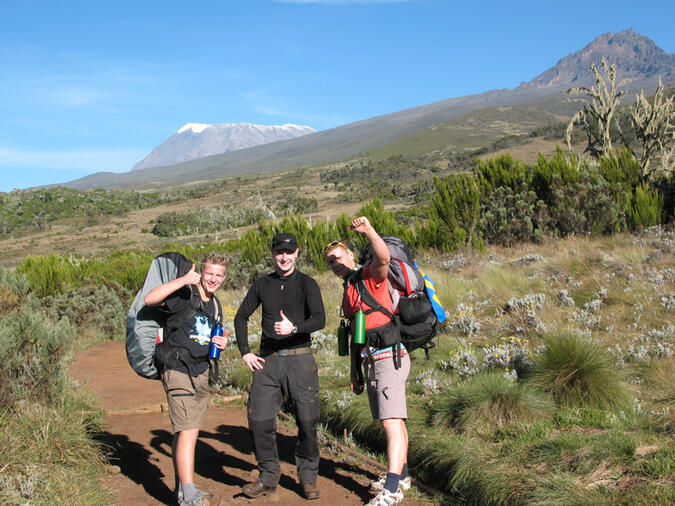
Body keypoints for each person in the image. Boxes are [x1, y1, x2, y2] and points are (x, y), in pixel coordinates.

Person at [324, 217, 411, 506]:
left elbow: (383, 258)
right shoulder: (349, 288)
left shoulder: (369, 276)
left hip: (389, 356)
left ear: (350, 255)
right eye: (329, 262)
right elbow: (354, 333)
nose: (334, 263)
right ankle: (403, 475)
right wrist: (354, 370)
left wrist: (369, 231)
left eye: (337, 257)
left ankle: (392, 490)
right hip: (371, 360)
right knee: (394, 420)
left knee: (391, 422)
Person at [235, 233, 326, 500]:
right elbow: (241, 317)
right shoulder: (262, 284)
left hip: (301, 360)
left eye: (289, 252)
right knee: (259, 420)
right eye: (279, 252)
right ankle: (267, 476)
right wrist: (245, 352)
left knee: (307, 423)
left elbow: (320, 318)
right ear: (273, 254)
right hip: (267, 361)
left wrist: (294, 327)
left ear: (297, 253)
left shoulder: (307, 284)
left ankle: (308, 479)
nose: (284, 257)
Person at [144, 252, 228, 506]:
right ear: (201, 272)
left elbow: (208, 336)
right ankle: (188, 495)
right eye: (209, 273)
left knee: (187, 431)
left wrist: (220, 343)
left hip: (200, 371)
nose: (213, 279)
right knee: (188, 431)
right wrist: (182, 281)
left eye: (218, 275)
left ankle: (183, 489)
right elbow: (150, 299)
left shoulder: (215, 305)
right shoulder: (184, 295)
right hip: (177, 369)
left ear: (224, 278)